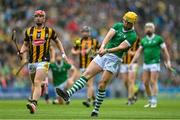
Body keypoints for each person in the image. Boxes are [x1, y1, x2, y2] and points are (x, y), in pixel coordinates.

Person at [56, 11, 138, 117]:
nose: (125, 23)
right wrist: (103, 46)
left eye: (128, 22)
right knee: (86, 75)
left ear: (132, 23)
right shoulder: (118, 25)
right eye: (125, 21)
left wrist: (106, 51)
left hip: (114, 58)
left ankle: (96, 109)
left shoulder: (133, 36)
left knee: (102, 84)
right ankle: (68, 94)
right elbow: (108, 36)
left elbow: (121, 47)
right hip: (103, 54)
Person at [19, 10, 68, 114]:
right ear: (34, 18)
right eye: (36, 16)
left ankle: (33, 104)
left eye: (41, 16)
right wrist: (21, 51)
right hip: (32, 62)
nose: (38, 18)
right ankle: (42, 85)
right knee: (34, 83)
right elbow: (25, 44)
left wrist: (63, 53)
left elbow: (58, 42)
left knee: (36, 82)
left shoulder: (49, 31)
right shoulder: (29, 31)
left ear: (44, 19)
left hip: (44, 61)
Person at [130, 22, 171, 108]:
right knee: (145, 83)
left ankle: (154, 100)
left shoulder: (159, 39)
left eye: (150, 27)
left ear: (153, 29)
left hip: (155, 63)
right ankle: (150, 99)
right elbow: (138, 52)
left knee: (153, 81)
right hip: (146, 63)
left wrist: (168, 62)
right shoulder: (144, 40)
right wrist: (132, 62)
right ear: (145, 30)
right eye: (147, 27)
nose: (148, 29)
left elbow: (165, 51)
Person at [71, 26, 99, 107]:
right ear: (81, 32)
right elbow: (73, 51)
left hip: (91, 65)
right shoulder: (78, 41)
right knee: (87, 84)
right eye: (84, 31)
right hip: (82, 66)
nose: (85, 33)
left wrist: (90, 52)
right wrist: (80, 51)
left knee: (89, 83)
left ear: (89, 32)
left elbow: (100, 52)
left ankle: (88, 100)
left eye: (87, 31)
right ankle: (95, 99)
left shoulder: (94, 42)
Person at [119, 37, 140, 105]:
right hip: (123, 63)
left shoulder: (137, 39)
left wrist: (132, 53)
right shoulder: (121, 38)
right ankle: (134, 93)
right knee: (125, 81)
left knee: (131, 81)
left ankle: (130, 99)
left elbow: (139, 51)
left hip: (133, 63)